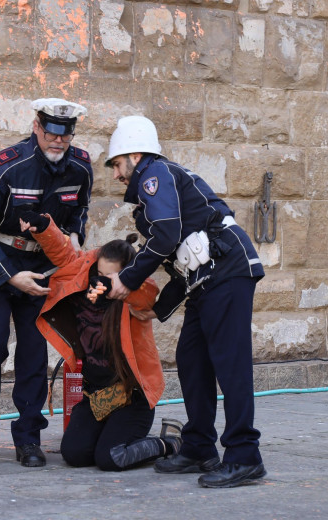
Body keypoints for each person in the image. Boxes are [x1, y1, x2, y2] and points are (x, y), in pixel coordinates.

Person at [103, 115, 266, 488]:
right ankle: (198, 447)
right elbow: (179, 258)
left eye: (116, 164)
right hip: (207, 280)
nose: (115, 175)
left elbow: (167, 236)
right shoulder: (152, 188)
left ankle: (244, 455)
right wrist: (156, 309)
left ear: (135, 154)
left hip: (227, 272)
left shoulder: (153, 175)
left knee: (230, 365)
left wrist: (127, 280)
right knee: (193, 361)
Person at [0, 98, 94, 467]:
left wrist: (75, 235)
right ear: (37, 127)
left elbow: (79, 210)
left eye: (64, 137)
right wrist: (9, 276)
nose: (57, 143)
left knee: (34, 351)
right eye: (51, 134)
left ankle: (29, 438)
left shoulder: (81, 166)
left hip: (42, 268)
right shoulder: (7, 166)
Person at [19, 212, 184, 471]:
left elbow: (147, 294)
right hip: (96, 396)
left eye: (112, 277)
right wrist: (43, 227)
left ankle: (169, 443)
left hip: (131, 398)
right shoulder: (83, 277)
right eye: (100, 273)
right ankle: (110, 434)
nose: (102, 280)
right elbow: (65, 254)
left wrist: (119, 288)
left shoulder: (133, 295)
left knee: (111, 458)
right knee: (74, 455)